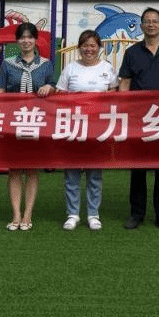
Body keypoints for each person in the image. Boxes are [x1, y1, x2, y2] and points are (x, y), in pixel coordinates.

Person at [118, 7, 159, 232]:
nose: (151, 24)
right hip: (139, 118)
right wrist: (124, 113)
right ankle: (136, 213)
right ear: (141, 26)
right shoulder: (132, 52)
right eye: (147, 21)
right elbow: (125, 83)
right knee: (138, 169)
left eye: (155, 21)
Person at [0, 22, 55, 231]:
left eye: (30, 37)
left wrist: (49, 87)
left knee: (32, 168)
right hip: (13, 122)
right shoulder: (7, 64)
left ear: (36, 40)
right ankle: (16, 214)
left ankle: (28, 213)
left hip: (37, 122)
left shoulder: (46, 64)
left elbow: (54, 87)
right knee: (14, 169)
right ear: (17, 41)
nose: (26, 41)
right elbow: (0, 91)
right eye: (22, 37)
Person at [56, 30, 119, 231]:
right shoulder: (70, 68)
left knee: (94, 174)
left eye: (92, 45)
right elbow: (60, 95)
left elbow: (115, 93)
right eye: (85, 45)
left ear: (99, 48)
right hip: (74, 127)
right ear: (79, 48)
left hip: (98, 129)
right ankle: (72, 214)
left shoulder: (107, 68)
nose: (89, 49)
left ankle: (93, 214)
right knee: (72, 173)